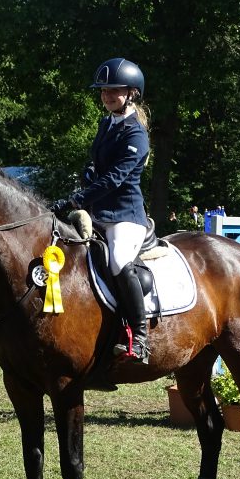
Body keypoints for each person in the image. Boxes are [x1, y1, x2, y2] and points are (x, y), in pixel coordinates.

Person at [52, 57, 152, 364]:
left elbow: (114, 180)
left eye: (115, 90)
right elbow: (98, 163)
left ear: (131, 93)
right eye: (104, 90)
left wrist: (75, 200)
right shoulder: (107, 123)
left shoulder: (136, 135)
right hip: (97, 214)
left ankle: (141, 336)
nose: (108, 95)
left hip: (125, 216)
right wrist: (88, 170)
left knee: (119, 262)